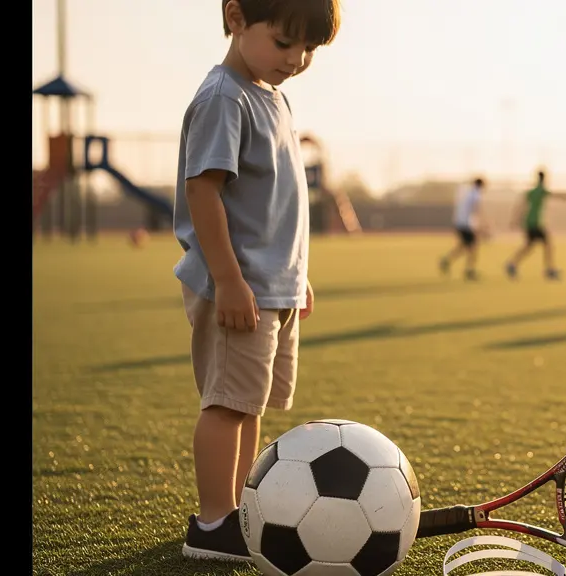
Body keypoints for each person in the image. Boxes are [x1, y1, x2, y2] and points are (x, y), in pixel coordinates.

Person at [172, 0, 340, 561]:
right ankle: (213, 522)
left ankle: (241, 511)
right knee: (225, 403)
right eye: (284, 43)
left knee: (249, 403)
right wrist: (229, 281)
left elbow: (273, 203)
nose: (296, 59)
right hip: (238, 287)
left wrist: (295, 276)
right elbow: (204, 191)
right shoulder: (224, 97)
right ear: (237, 18)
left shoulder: (274, 97)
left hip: (272, 286)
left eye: (309, 49)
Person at [505, 170, 566, 280]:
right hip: (535, 223)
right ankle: (549, 270)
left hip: (529, 222)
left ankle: (512, 264)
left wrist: (515, 219)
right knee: (547, 245)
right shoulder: (541, 191)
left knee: (530, 246)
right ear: (544, 179)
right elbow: (560, 195)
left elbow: (520, 206)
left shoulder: (531, 192)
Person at [440, 177, 489, 281]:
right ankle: (469, 271)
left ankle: (446, 261)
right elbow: (476, 210)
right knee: (473, 247)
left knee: (465, 246)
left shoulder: (468, 193)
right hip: (466, 224)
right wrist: (482, 225)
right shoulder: (476, 194)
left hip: (459, 223)